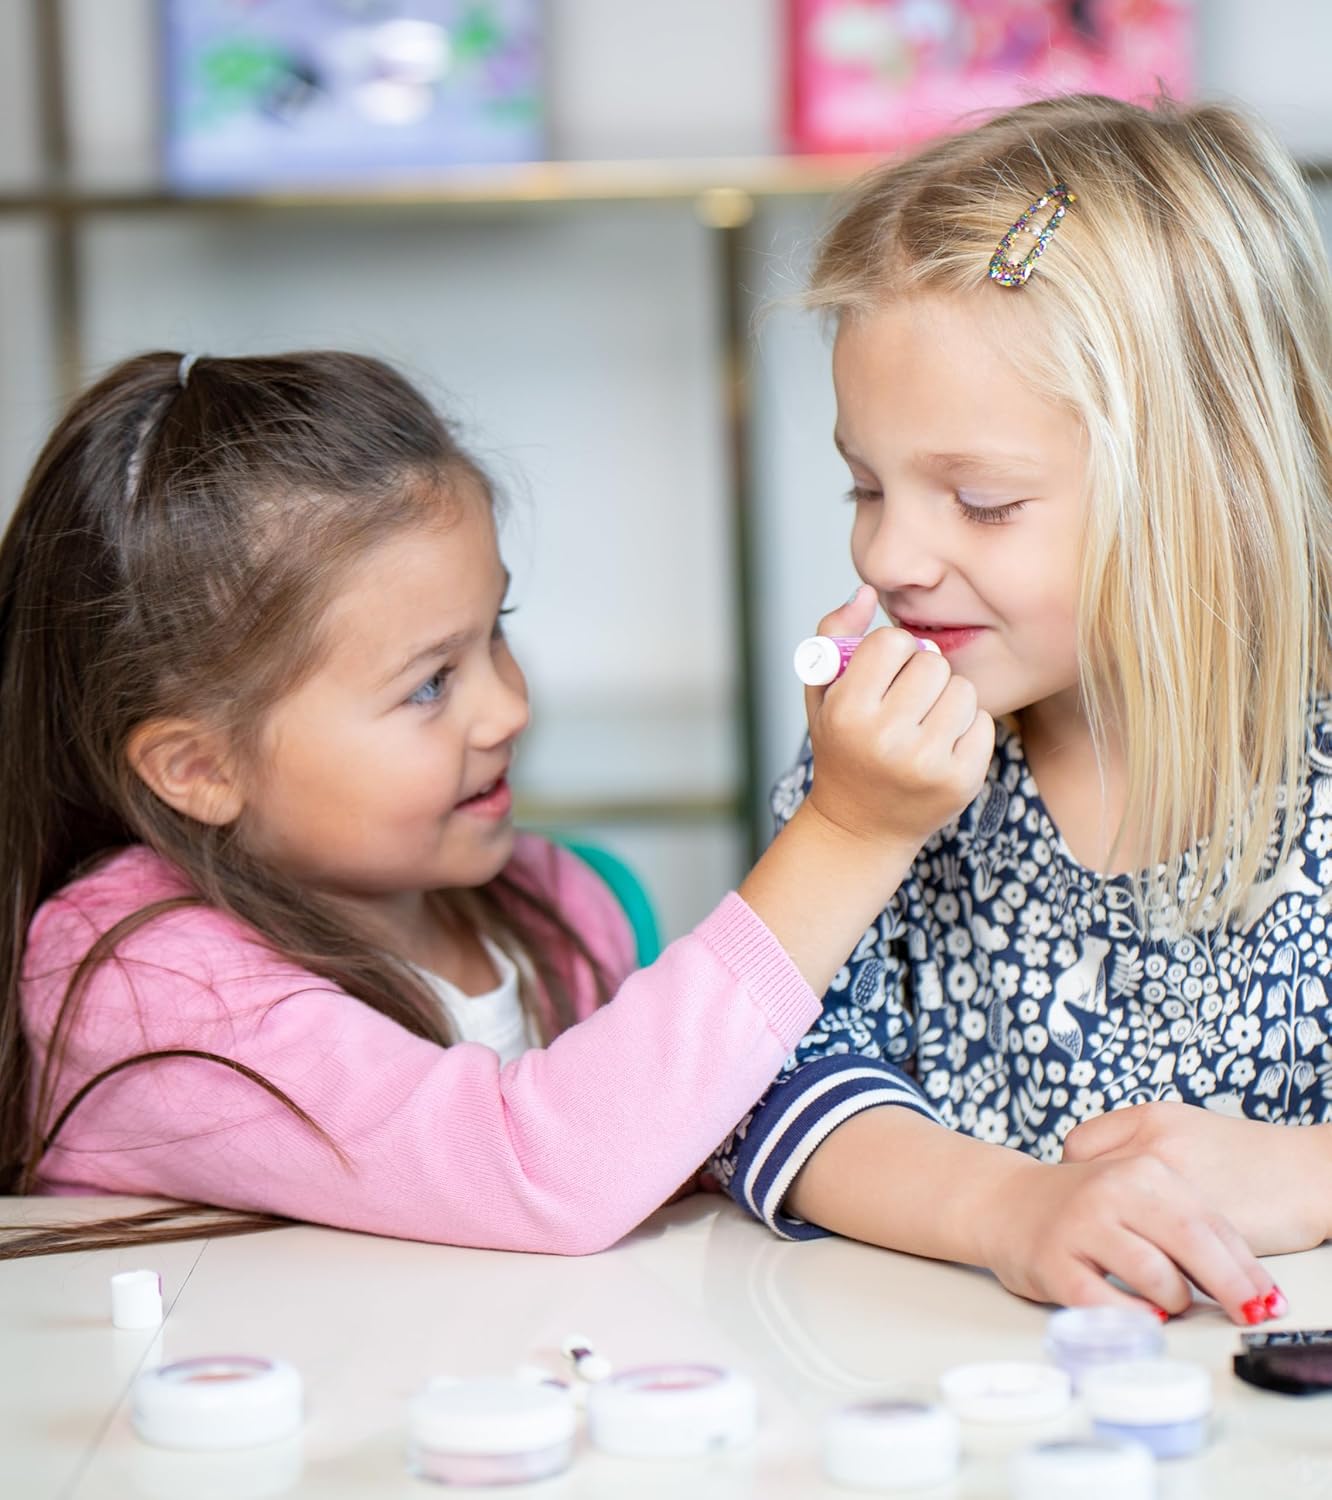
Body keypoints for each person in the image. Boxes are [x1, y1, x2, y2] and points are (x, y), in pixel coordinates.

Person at [0, 350, 993, 1259]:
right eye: (431, 683)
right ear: (199, 768)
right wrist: (850, 833)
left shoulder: (555, 903)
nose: (511, 706)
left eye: (497, 632)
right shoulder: (133, 977)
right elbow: (546, 1172)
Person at [711, 93, 1332, 1327]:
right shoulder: (887, 752)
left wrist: (1308, 1174)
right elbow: (761, 1091)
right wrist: (1008, 1209)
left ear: (1219, 488)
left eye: (983, 502)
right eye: (863, 484)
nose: (889, 555)